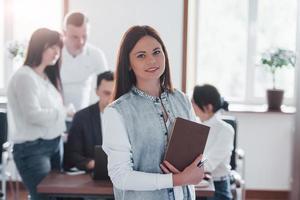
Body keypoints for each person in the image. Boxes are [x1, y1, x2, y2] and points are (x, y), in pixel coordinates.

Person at [102, 25, 204, 200]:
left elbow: (197, 152)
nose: (152, 61)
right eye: (141, 55)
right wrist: (176, 179)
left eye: (157, 52)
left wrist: (200, 165)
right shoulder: (117, 112)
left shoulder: (182, 99)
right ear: (128, 63)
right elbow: (121, 177)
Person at [7, 28, 66, 200]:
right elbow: (33, 115)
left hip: (54, 144)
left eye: (59, 47)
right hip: (33, 149)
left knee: (56, 196)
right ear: (38, 47)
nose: (57, 51)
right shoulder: (25, 77)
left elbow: (52, 112)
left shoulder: (45, 76)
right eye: (52, 47)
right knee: (44, 197)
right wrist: (62, 112)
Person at [64, 71, 114, 171]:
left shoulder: (130, 117)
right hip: (92, 175)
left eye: (115, 93)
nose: (111, 99)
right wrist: (90, 164)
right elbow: (72, 153)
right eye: (107, 93)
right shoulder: (81, 117)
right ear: (97, 92)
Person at [192, 84, 234, 200]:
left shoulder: (225, 130)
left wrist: (184, 171)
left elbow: (209, 165)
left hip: (217, 187)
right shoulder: (195, 125)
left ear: (208, 107)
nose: (191, 106)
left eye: (194, 102)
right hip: (196, 183)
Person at [61, 12, 108, 111]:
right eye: (75, 37)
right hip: (56, 117)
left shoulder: (96, 55)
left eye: (84, 36)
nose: (81, 42)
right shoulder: (54, 54)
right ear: (64, 34)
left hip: (83, 117)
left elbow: (108, 85)